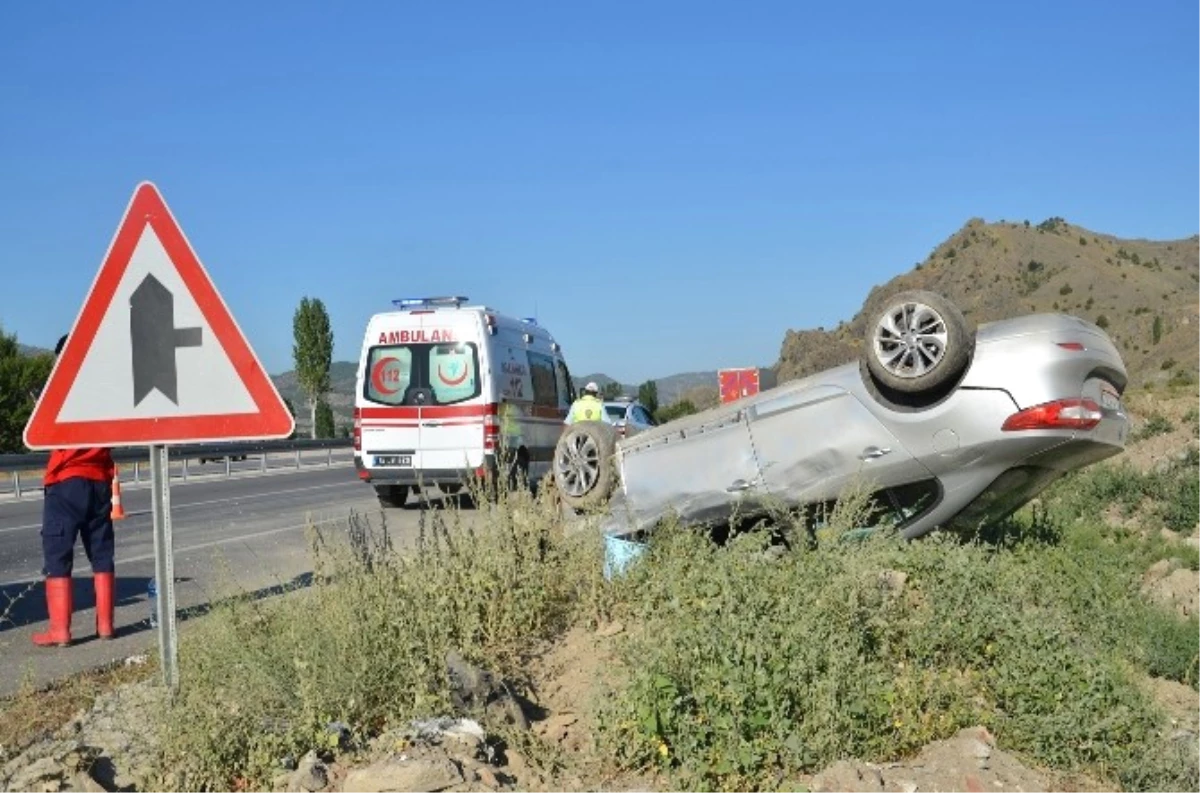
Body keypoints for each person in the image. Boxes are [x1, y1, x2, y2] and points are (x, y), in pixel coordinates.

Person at [32, 334, 117, 647]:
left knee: (58, 552)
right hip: (99, 481)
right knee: (102, 553)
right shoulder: (106, 392)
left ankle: (60, 631)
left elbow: (41, 433)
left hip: (65, 480)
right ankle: (106, 626)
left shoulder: (61, 392)